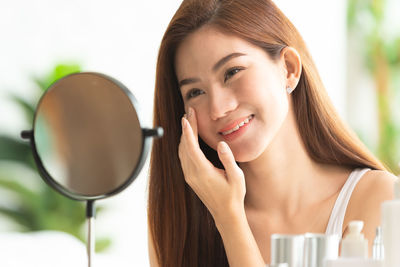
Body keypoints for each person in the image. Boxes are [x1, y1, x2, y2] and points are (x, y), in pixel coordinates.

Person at [147, 0, 397, 266]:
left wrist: (230, 219)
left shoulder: (382, 200)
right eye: (195, 92)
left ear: (288, 68)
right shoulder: (178, 223)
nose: (218, 109)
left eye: (232, 72)